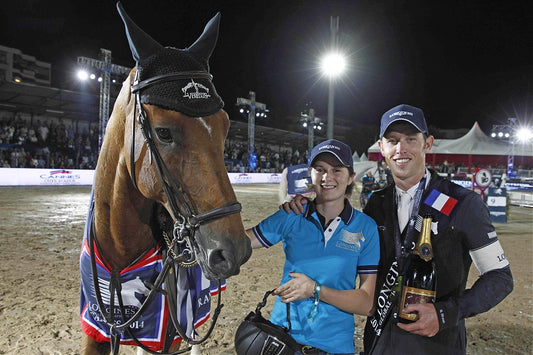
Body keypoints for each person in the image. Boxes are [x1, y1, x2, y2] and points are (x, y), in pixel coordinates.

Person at [285, 104, 513, 355]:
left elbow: (500, 277)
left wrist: (445, 314)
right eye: (392, 141)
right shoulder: (377, 202)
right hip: (379, 340)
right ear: (381, 148)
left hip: (435, 345)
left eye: (410, 139)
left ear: (428, 144)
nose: (400, 149)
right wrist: (308, 209)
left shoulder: (463, 203)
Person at [247, 139, 380, 355]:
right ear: (311, 174)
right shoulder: (292, 215)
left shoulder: (366, 227)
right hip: (282, 340)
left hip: (334, 346)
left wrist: (315, 290)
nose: (327, 177)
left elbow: (366, 304)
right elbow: (241, 242)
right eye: (320, 170)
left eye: (337, 170)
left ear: (351, 177)